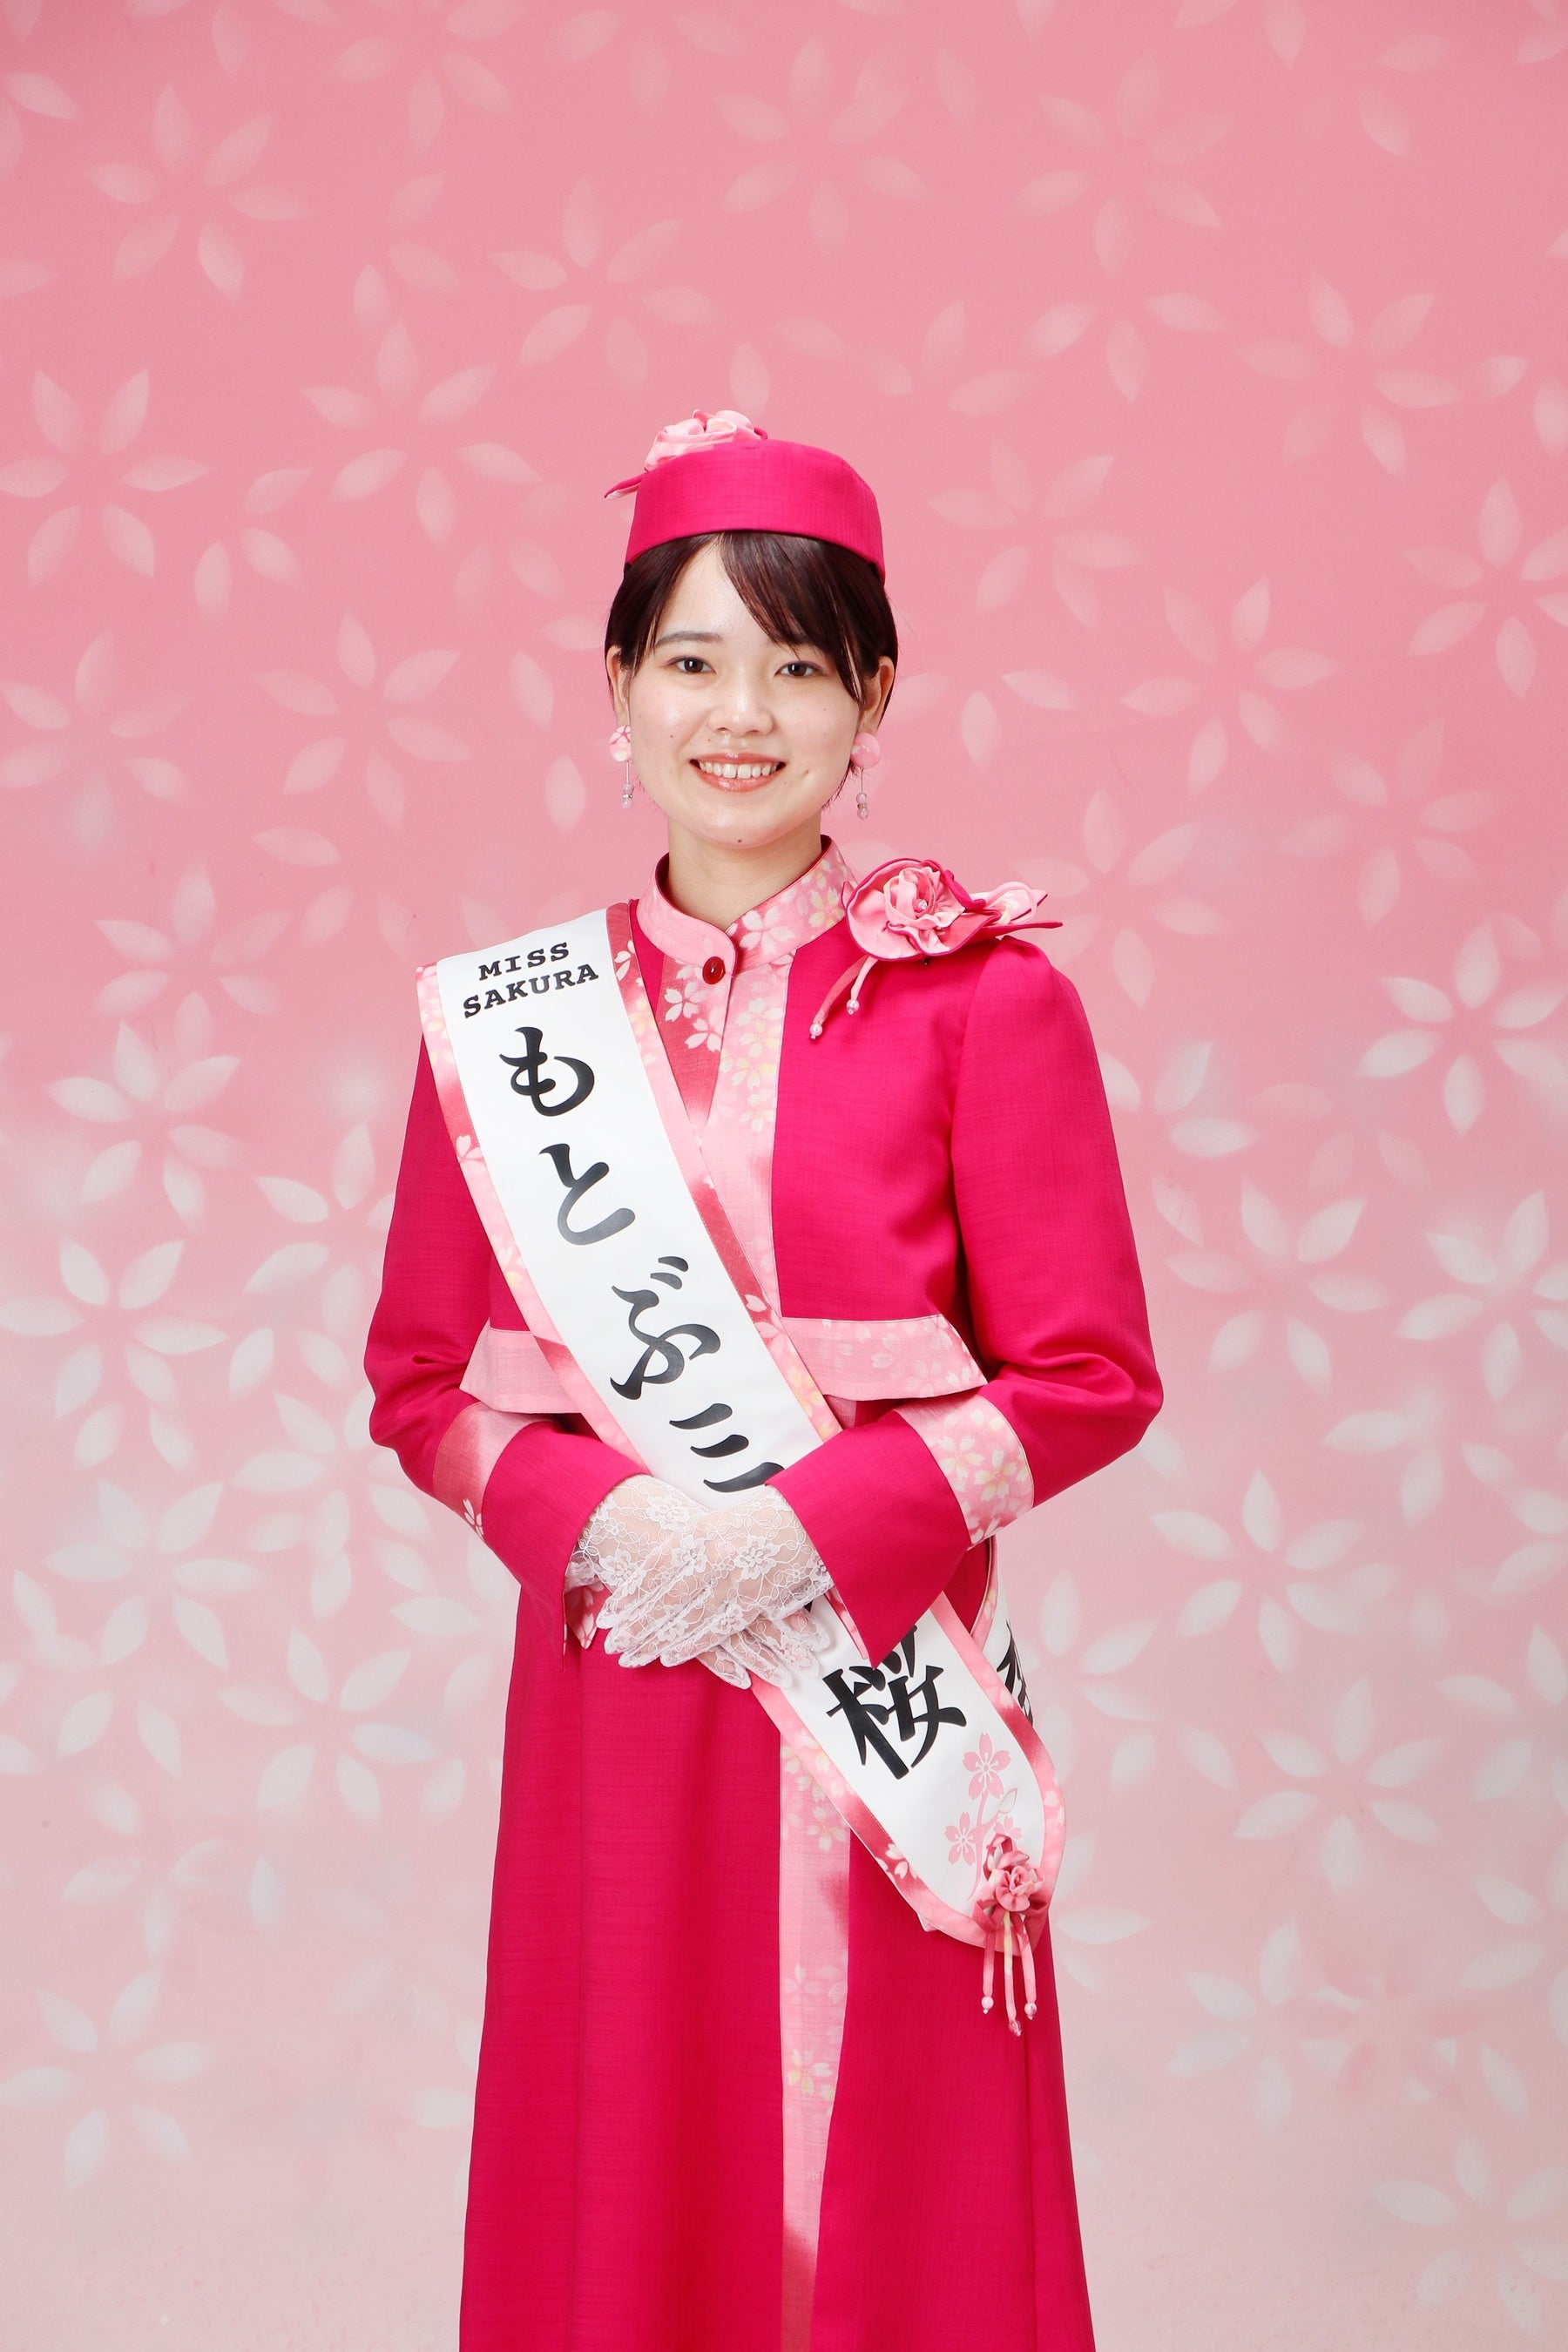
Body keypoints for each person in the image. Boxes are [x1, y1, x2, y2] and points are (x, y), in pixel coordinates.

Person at [364, 408, 1162, 2352]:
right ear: (616, 687)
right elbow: (421, 1383)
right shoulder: (513, 1030)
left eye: (800, 666)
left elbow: (1087, 1375)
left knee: (892, 2177)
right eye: (693, 661)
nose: (742, 716)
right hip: (628, 1672)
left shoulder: (987, 1003)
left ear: (873, 697)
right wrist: (613, 1523)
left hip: (887, 1678)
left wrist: (804, 1534)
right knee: (632, 2147)